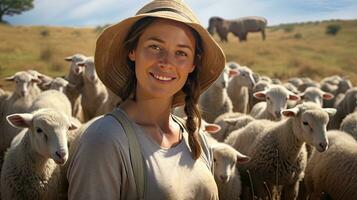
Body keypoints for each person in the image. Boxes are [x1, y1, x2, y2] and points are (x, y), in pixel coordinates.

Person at [67, 0, 225, 199]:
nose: (166, 62)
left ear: (193, 64)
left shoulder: (196, 138)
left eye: (181, 53)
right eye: (155, 47)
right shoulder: (104, 140)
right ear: (132, 51)